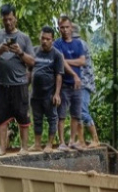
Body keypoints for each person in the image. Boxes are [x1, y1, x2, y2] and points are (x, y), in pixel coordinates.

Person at [0, 5, 35, 155]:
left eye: (10, 19)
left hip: (19, 85)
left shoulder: (24, 38)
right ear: (2, 19)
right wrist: (0, 49)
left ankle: (24, 148)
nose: (8, 22)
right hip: (1, 84)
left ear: (15, 19)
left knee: (23, 117)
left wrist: (20, 52)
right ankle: (2, 148)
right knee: (1, 117)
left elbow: (32, 62)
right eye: (5, 19)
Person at [29, 26, 64, 152]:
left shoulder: (57, 55)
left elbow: (59, 75)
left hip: (49, 94)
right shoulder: (34, 51)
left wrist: (57, 94)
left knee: (52, 119)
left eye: (47, 39)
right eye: (42, 38)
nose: (44, 41)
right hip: (35, 94)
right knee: (37, 119)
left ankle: (49, 144)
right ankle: (37, 144)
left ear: (52, 40)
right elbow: (28, 71)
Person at [54, 16, 84, 150]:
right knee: (61, 115)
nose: (65, 30)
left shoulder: (78, 44)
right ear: (59, 28)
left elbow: (82, 61)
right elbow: (61, 62)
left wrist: (65, 61)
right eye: (62, 27)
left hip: (76, 85)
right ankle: (62, 142)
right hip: (64, 84)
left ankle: (72, 141)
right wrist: (73, 72)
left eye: (67, 27)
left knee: (76, 114)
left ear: (71, 27)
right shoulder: (57, 44)